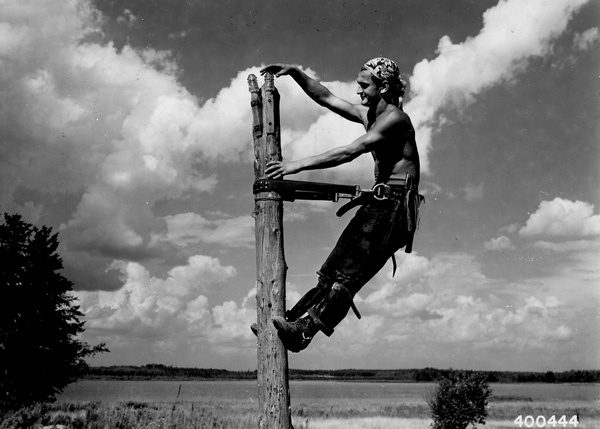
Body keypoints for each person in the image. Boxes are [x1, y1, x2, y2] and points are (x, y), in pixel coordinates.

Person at [255, 57, 422, 353]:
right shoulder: (368, 114)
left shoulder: (396, 119)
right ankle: (288, 322)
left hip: (396, 207)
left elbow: (350, 151)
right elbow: (327, 98)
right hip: (380, 201)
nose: (358, 90)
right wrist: (295, 72)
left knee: (347, 277)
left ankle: (304, 333)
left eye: (364, 85)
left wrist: (295, 165)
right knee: (330, 272)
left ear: (384, 87)